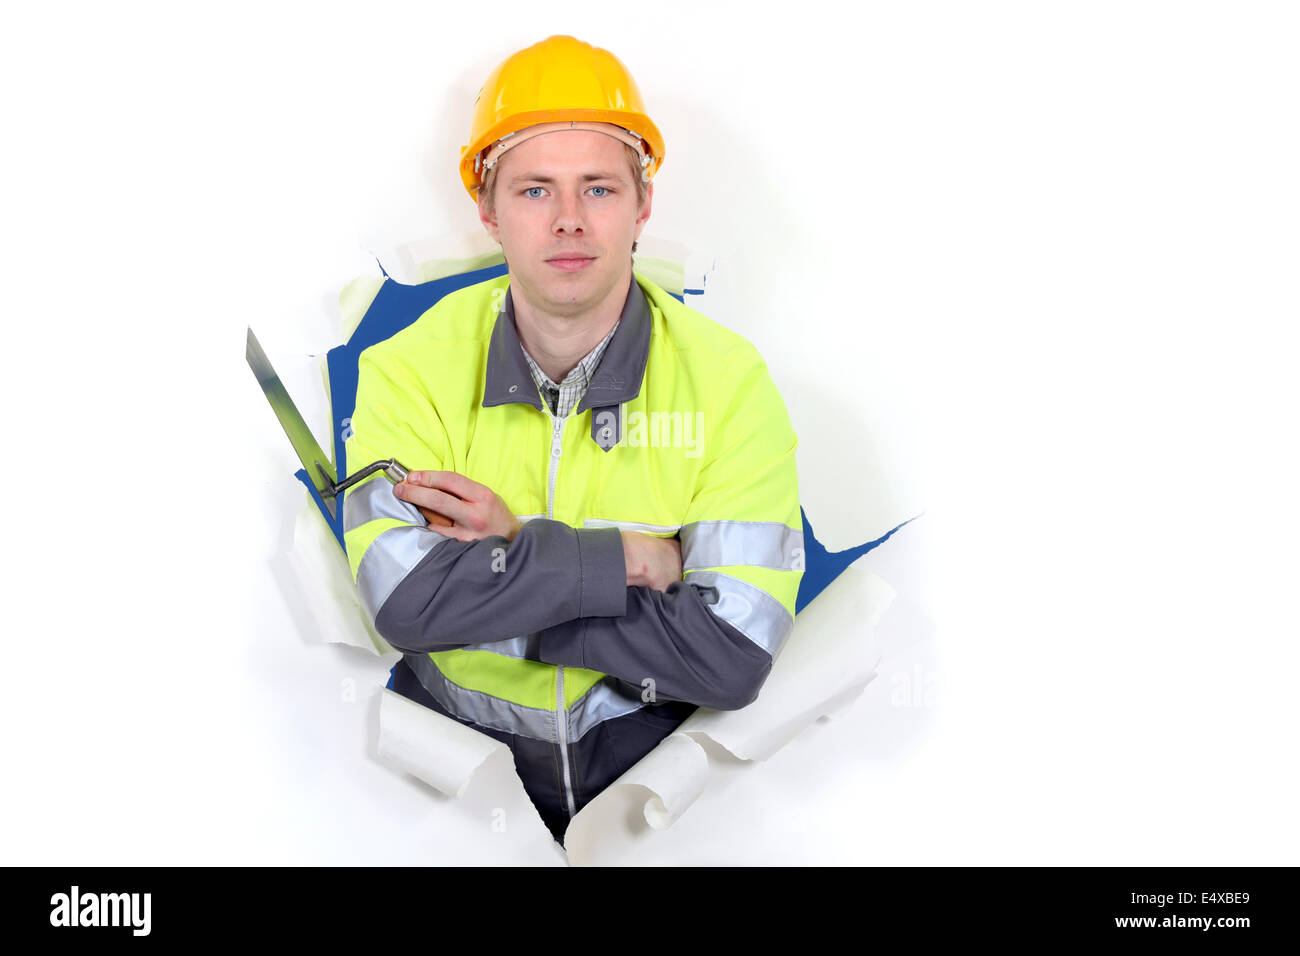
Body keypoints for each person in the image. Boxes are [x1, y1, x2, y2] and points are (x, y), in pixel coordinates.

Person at [343, 34, 804, 847]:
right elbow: (407, 605)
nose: (567, 220)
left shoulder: (728, 383)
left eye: (597, 187)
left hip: (657, 801)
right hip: (449, 791)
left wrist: (517, 554)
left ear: (642, 205)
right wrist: (630, 559)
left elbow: (732, 655)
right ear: (487, 210)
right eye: (532, 191)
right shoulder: (409, 369)